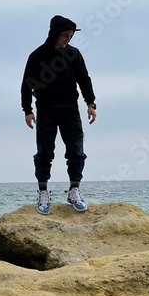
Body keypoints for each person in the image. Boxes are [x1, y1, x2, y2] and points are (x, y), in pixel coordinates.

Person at [21, 15, 97, 215]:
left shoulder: (74, 54)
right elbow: (26, 85)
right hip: (46, 109)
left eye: (71, 36)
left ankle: (74, 190)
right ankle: (43, 192)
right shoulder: (37, 56)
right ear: (55, 34)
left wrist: (90, 103)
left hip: (70, 109)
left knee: (76, 150)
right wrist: (27, 110)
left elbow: (84, 79)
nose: (68, 39)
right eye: (65, 35)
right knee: (45, 152)